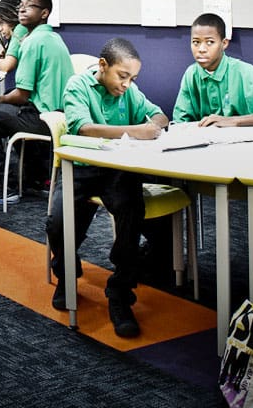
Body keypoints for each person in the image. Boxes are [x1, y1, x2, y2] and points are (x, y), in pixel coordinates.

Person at [47, 37, 167, 338]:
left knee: (131, 212)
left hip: (115, 170)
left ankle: (120, 293)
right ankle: (65, 274)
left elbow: (157, 114)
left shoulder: (130, 91)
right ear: (103, 66)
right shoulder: (78, 86)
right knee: (58, 223)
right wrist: (135, 131)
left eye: (133, 78)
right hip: (81, 168)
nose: (127, 84)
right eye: (122, 76)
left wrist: (155, 124)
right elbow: (84, 128)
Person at [0, 0, 74, 205]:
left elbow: (21, 94)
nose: (23, 9)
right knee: (8, 115)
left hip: (43, 120)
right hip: (61, 119)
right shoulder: (53, 37)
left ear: (44, 13)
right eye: (21, 6)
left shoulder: (33, 42)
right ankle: (37, 179)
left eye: (30, 6)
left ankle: (0, 186)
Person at [173, 12, 253, 127]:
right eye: (196, 42)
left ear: (224, 43)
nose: (201, 49)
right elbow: (180, 122)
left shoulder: (244, 72)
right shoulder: (191, 74)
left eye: (210, 42)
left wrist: (233, 121)